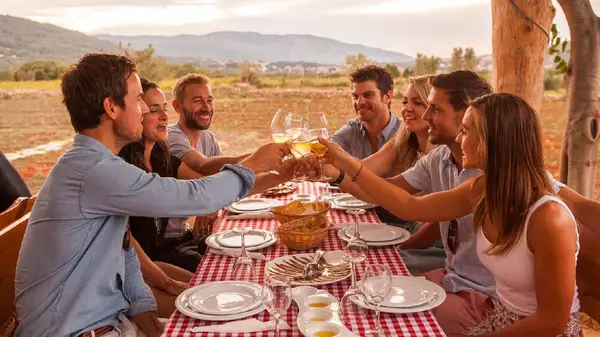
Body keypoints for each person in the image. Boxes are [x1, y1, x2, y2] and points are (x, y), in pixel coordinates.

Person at [14, 53, 289, 337]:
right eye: (137, 100)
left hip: (113, 324)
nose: (144, 109)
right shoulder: (92, 171)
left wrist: (154, 327)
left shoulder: (95, 166)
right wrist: (253, 163)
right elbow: (194, 197)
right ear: (111, 107)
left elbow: (126, 260)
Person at [319, 92, 581, 336]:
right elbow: (410, 206)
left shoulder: (548, 218)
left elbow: (552, 321)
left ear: (495, 141)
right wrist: (345, 162)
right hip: (502, 320)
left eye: (466, 131)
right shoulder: (481, 190)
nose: (458, 139)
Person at [330, 65, 401, 163]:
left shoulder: (405, 133)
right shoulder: (350, 131)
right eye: (355, 96)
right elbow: (329, 150)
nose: (359, 102)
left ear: (387, 97)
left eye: (367, 95)